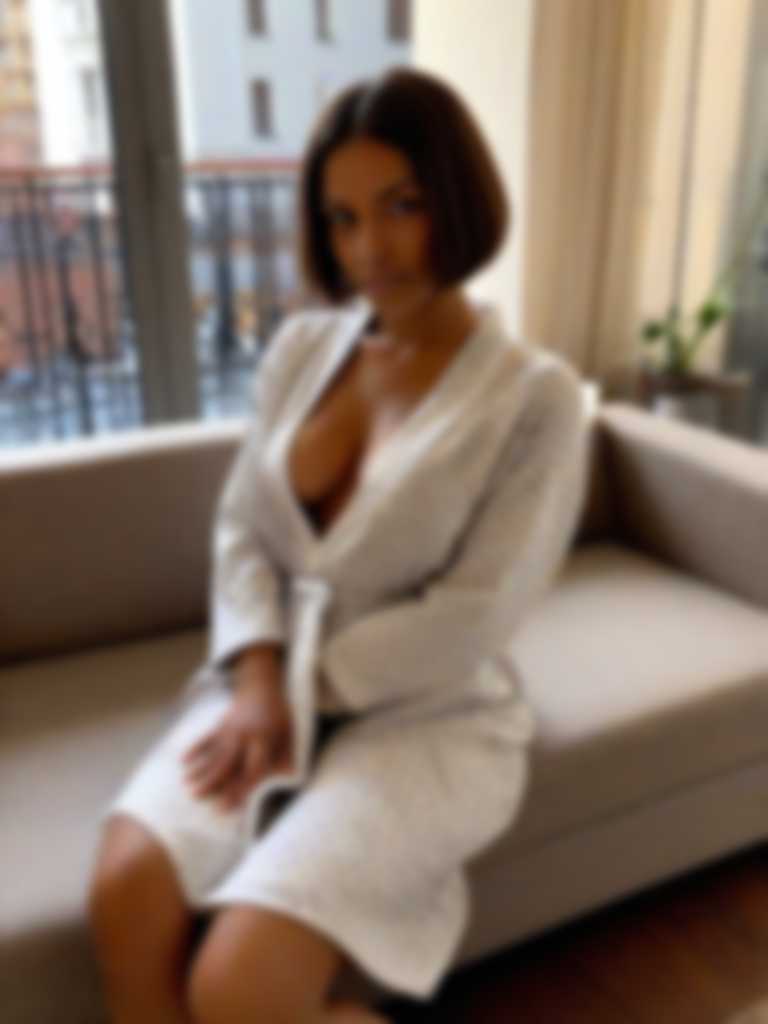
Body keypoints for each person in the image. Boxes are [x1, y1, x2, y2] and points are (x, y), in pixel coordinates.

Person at [86, 65, 590, 1023]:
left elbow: (474, 617)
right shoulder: (300, 352)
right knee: (126, 888)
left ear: (457, 197)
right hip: (263, 686)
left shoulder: (536, 398)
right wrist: (258, 680)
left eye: (402, 206)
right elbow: (242, 527)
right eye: (343, 218)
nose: (370, 249)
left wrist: (298, 690)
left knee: (237, 986)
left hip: (427, 714)